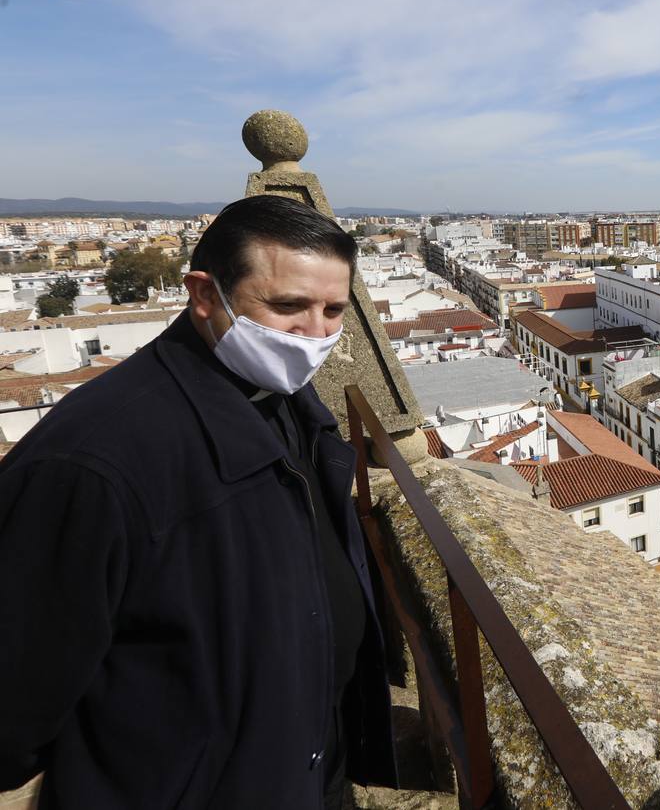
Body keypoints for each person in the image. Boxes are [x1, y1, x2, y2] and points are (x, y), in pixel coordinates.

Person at [0, 196, 396, 809]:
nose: (316, 333)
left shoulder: (281, 402)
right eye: (288, 306)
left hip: (308, 775)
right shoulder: (91, 462)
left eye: (334, 309)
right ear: (205, 295)